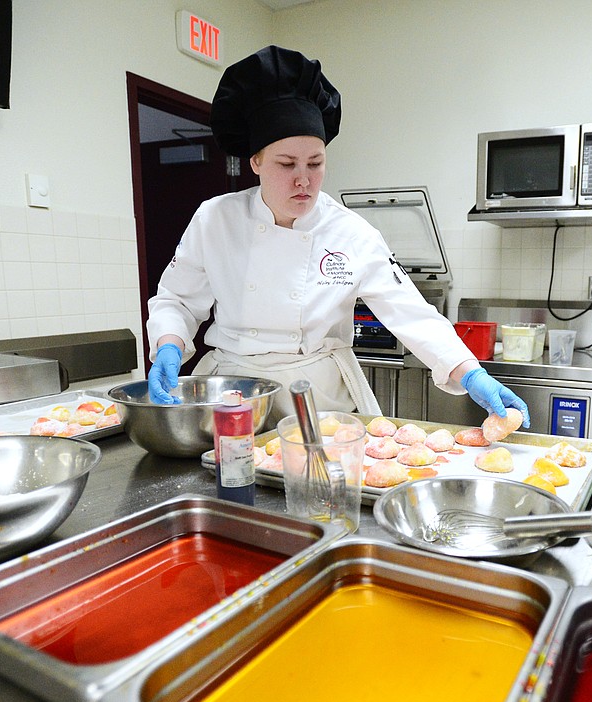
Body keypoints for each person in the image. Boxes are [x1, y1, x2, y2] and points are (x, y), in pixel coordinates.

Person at [145, 45, 528, 428]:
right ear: (256, 161)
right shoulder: (215, 218)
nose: (303, 179)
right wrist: (169, 345)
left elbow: (410, 312)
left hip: (318, 399)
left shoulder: (351, 231)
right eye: (286, 164)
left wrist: (470, 372)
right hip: (234, 395)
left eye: (315, 163)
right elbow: (178, 298)